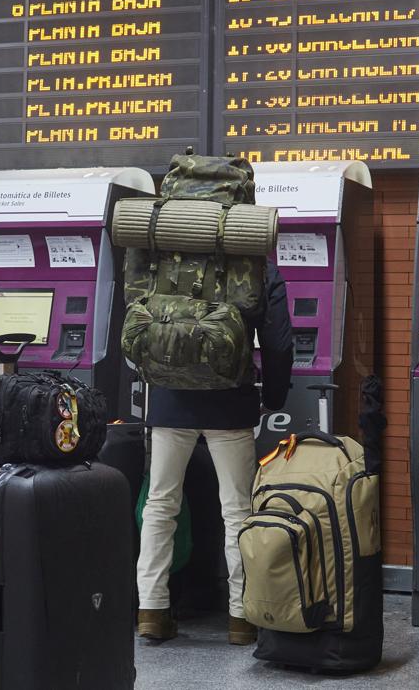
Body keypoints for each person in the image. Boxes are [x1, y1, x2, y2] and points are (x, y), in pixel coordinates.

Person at [136, 263, 293, 646]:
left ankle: (152, 611)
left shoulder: (169, 257)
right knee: (238, 510)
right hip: (229, 403)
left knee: (160, 505)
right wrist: (272, 397)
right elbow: (279, 341)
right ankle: (242, 618)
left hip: (170, 401)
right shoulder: (257, 267)